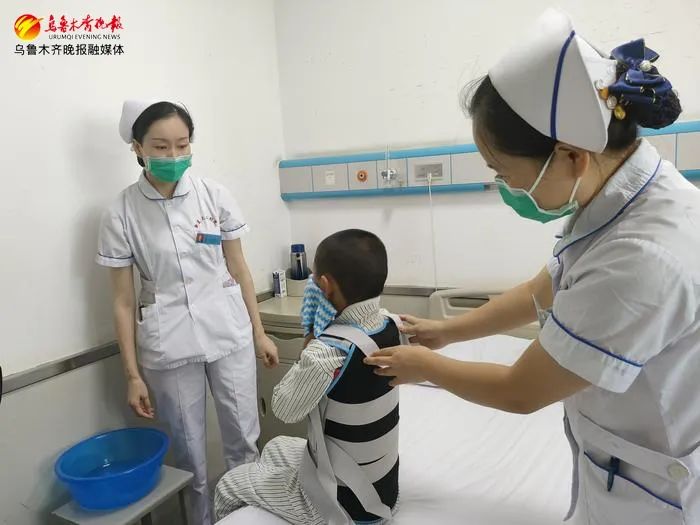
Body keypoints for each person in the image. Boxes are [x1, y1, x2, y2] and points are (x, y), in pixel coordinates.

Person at [365, 8, 700, 525]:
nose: (505, 187)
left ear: (570, 156)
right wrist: (446, 332)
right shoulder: (616, 196)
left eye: (503, 172)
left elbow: (519, 391)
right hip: (617, 463)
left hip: (655, 494)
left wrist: (421, 367)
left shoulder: (640, 256)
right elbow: (541, 290)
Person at [96, 99, 279, 525]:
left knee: (244, 443)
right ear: (138, 148)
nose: (174, 156)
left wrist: (259, 333)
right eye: (161, 147)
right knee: (189, 455)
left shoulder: (214, 196)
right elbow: (122, 301)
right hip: (169, 342)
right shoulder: (121, 212)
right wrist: (132, 375)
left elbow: (239, 269)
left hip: (229, 331)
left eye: (182, 145)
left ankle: (248, 519)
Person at [215, 229, 404, 525]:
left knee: (228, 485)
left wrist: (311, 341)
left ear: (325, 286)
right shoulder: (392, 325)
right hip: (383, 488)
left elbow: (284, 408)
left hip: (342, 503)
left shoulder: (326, 352)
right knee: (276, 445)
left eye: (314, 278)